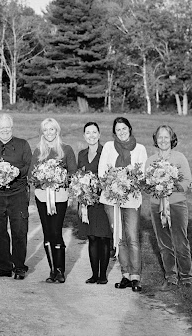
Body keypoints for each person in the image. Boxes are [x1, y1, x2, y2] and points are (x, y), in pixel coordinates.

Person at [0, 113, 32, 280]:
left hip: (18, 194)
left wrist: (17, 172)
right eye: (1, 128)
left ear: (12, 127)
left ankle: (19, 267)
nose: (5, 130)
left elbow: (29, 166)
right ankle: (4, 266)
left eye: (8, 127)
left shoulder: (23, 144)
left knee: (19, 230)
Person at [98, 116, 147, 292]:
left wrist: (127, 181)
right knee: (119, 237)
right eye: (118, 130)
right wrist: (114, 182)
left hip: (131, 198)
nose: (121, 132)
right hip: (111, 198)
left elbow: (141, 174)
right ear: (114, 132)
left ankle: (135, 276)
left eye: (124, 128)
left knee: (132, 237)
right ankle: (125, 274)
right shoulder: (109, 147)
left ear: (130, 129)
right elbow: (102, 171)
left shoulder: (140, 149)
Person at [145, 125, 192, 291]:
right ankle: (171, 277)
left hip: (177, 204)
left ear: (172, 139)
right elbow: (147, 184)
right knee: (164, 242)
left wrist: (172, 186)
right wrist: (155, 185)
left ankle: (186, 277)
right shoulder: (151, 160)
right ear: (155, 139)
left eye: (166, 137)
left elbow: (187, 181)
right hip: (157, 205)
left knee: (181, 241)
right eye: (160, 137)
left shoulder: (179, 158)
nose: (163, 140)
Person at [29, 118, 77, 283]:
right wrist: (42, 178)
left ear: (57, 131)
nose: (49, 133)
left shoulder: (66, 149)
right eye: (45, 130)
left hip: (60, 197)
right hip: (42, 197)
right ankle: (52, 270)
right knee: (47, 232)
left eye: (52, 129)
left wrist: (59, 177)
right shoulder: (38, 151)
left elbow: (73, 172)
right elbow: (31, 174)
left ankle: (60, 270)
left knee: (56, 231)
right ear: (42, 132)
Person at [77, 122, 113, 285]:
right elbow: (78, 176)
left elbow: (110, 175)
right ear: (84, 136)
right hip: (88, 202)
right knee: (92, 237)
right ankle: (94, 274)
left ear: (99, 134)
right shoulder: (82, 154)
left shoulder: (106, 152)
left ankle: (103, 275)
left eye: (94, 132)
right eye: (88, 133)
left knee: (103, 237)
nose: (91, 136)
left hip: (103, 200)